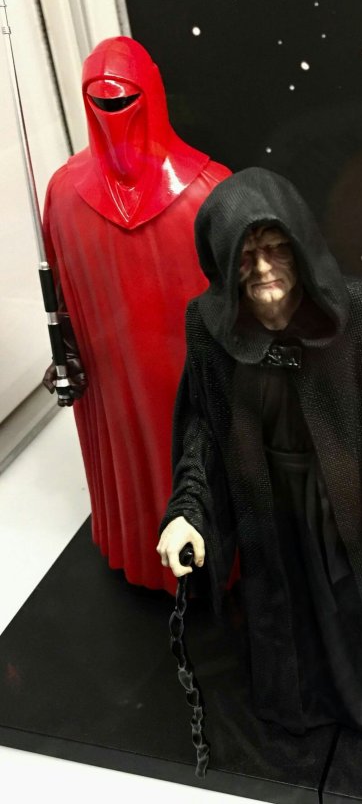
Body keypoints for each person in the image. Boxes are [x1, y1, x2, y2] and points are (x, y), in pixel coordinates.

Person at [157, 167, 362, 765]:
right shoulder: (208, 327)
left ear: (301, 246)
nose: (263, 269)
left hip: (347, 497)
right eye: (245, 255)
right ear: (222, 262)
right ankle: (298, 708)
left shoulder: (358, 311)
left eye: (276, 248)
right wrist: (187, 511)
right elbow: (203, 427)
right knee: (285, 607)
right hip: (266, 498)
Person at [43, 36, 230, 592]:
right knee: (129, 461)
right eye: (100, 101)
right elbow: (63, 296)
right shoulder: (64, 193)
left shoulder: (210, 191)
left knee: (198, 445)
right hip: (111, 376)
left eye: (124, 100)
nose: (114, 114)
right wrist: (65, 353)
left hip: (193, 375)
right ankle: (141, 548)